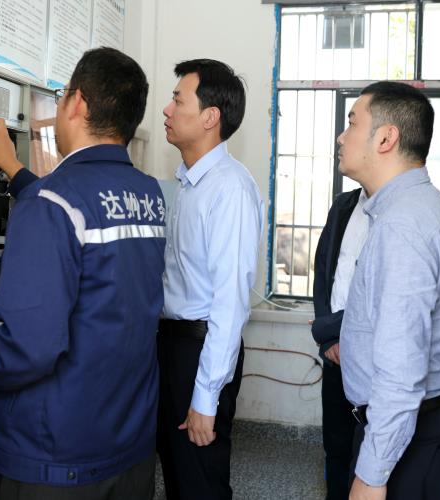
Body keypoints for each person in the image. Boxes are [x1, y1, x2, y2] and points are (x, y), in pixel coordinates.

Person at [0, 47, 166, 500]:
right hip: (129, 446)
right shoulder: (148, 194)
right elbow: (83, 214)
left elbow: (31, 348)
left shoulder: (51, 204)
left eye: (61, 97)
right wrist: (15, 171)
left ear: (77, 102)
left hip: (55, 459)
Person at [337, 81, 440, 500]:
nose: (341, 137)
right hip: (415, 424)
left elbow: (401, 370)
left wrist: (371, 475)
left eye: (352, 123)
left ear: (385, 138)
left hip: (412, 434)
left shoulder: (402, 227)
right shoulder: (417, 206)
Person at [157, 59, 265, 500]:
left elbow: (229, 303)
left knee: (200, 480)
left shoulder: (229, 188)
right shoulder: (189, 183)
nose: (167, 110)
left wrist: (206, 397)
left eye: (178, 100)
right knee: (178, 474)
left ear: (209, 117)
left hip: (200, 352)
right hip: (173, 345)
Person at [310, 184, 366, 500]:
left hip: (373, 361)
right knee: (336, 447)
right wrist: (330, 336)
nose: (339, 161)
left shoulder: (398, 211)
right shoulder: (344, 205)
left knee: (371, 454)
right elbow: (323, 273)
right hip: (335, 355)